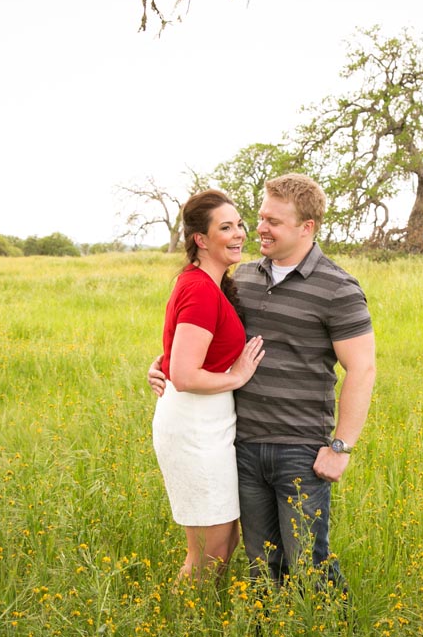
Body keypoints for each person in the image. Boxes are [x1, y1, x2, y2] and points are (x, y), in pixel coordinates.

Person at [151, 173, 376, 588]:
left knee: (309, 563)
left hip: (300, 448)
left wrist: (341, 448)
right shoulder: (243, 277)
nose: (258, 229)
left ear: (306, 227)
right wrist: (164, 363)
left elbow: (362, 369)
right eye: (259, 217)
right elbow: (205, 338)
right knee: (261, 567)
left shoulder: (337, 288)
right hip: (241, 444)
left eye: (273, 221)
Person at [152, 189, 265, 582]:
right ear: (201, 239)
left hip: (210, 423)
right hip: (194, 427)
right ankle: (184, 618)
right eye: (226, 227)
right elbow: (184, 375)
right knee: (209, 551)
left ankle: (195, 614)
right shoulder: (201, 289)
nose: (239, 234)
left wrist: (161, 363)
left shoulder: (209, 284)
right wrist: (237, 377)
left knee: (223, 539)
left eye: (240, 225)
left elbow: (182, 355)